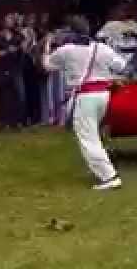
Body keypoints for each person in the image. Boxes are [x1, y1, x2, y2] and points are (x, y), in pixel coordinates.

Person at [43, 16, 130, 190]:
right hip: (104, 94)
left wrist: (47, 46)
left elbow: (47, 66)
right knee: (94, 134)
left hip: (85, 96)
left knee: (88, 138)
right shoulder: (102, 48)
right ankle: (103, 168)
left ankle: (109, 176)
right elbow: (122, 66)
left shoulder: (66, 51)